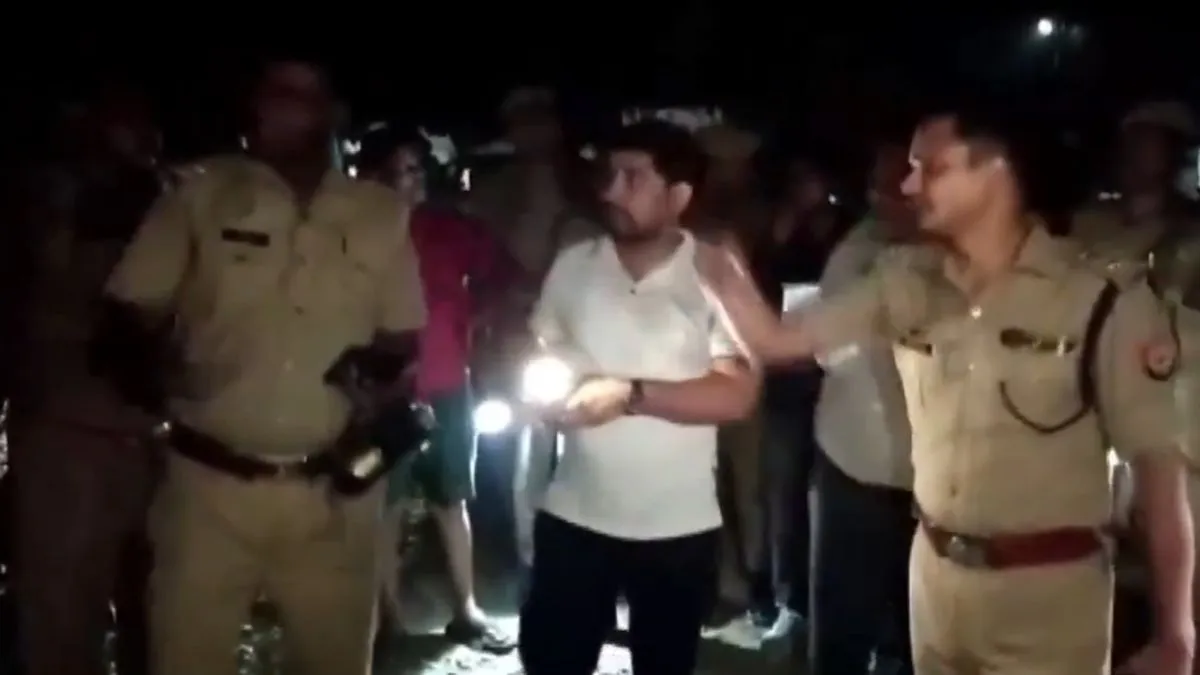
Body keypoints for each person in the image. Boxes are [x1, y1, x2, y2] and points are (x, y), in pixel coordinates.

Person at [699, 106, 1195, 675]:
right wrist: (716, 262)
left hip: (1047, 599)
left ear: (994, 171)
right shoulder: (908, 280)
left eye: (930, 168)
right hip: (935, 583)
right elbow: (775, 340)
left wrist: (1175, 634)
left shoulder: (1098, 300)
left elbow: (1158, 475)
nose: (908, 186)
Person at [104, 58, 426, 675]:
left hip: (334, 496)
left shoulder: (379, 212)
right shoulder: (199, 196)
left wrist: (374, 377)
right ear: (253, 104)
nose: (286, 105)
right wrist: (156, 380)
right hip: (206, 490)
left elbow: (401, 334)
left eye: (304, 93)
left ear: (333, 111)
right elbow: (127, 315)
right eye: (275, 91)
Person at [518, 120, 759, 675]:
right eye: (609, 175)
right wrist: (540, 384)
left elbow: (736, 395)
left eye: (632, 178)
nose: (610, 191)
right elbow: (541, 348)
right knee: (552, 660)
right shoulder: (575, 264)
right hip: (575, 513)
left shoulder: (714, 274)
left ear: (679, 195)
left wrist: (628, 396)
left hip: (677, 525)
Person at [10, 87, 164, 675]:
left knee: (154, 613)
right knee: (62, 614)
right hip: (69, 433)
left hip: (141, 434)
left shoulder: (154, 199)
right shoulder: (55, 197)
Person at [359, 126, 517, 653]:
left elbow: (503, 276)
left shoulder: (450, 229)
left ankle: (466, 609)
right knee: (387, 506)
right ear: (371, 178)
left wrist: (477, 320)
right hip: (384, 394)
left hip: (448, 385)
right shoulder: (355, 236)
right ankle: (388, 618)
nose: (409, 181)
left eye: (414, 170)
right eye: (396, 172)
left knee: (452, 498)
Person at [806, 140, 917, 675]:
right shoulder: (858, 253)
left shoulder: (964, 257)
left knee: (924, 628)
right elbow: (828, 350)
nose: (881, 196)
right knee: (843, 623)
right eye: (877, 185)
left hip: (936, 482)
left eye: (895, 185)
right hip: (856, 466)